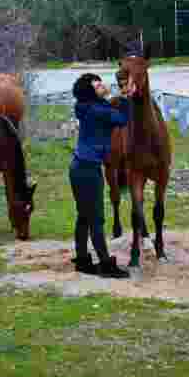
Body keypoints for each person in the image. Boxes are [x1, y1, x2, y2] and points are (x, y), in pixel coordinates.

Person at [70, 71, 136, 278]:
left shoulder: (85, 106)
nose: (103, 85)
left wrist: (113, 97)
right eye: (98, 85)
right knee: (96, 219)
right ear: (91, 92)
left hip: (78, 168)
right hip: (89, 171)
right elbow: (122, 119)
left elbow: (108, 109)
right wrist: (126, 97)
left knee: (84, 216)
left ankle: (82, 260)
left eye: (100, 82)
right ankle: (106, 265)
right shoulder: (97, 110)